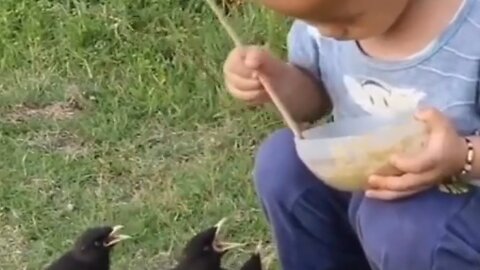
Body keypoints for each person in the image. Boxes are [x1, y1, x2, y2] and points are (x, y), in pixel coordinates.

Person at [222, 0, 480, 269]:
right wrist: (277, 82)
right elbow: (316, 101)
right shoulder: (327, 27)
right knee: (282, 163)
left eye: (345, 17)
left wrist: (463, 156)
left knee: (396, 223)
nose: (326, 32)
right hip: (372, 192)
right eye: (312, 21)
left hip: (461, 208)